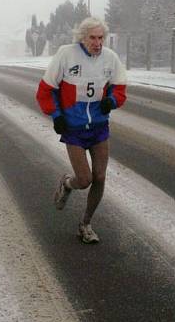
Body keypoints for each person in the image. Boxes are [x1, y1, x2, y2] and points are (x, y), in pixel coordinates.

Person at [35, 17, 127, 244]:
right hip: (74, 127)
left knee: (100, 177)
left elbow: (120, 89)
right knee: (84, 179)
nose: (97, 43)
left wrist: (112, 101)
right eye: (93, 38)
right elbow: (46, 90)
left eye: (101, 38)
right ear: (82, 38)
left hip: (98, 127)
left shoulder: (110, 58)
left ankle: (86, 224)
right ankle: (67, 183)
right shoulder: (66, 54)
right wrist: (56, 116)